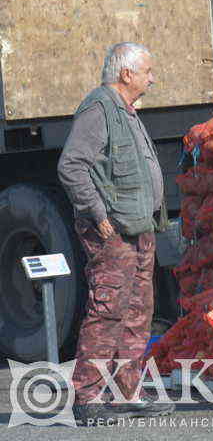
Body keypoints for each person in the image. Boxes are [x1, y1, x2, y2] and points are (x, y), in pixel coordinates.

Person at [57, 43, 175, 425]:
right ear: (126, 74)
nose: (152, 79)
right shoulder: (99, 109)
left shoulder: (125, 110)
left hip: (139, 229)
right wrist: (97, 212)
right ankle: (88, 398)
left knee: (138, 313)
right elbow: (71, 166)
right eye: (147, 72)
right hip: (114, 231)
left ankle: (128, 393)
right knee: (107, 312)